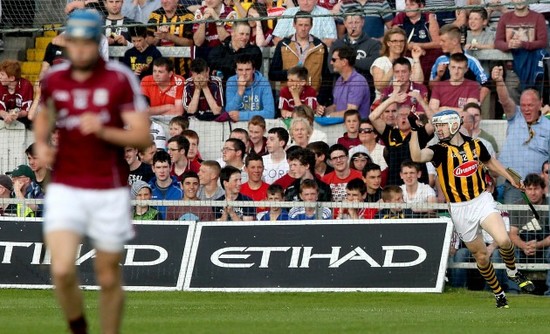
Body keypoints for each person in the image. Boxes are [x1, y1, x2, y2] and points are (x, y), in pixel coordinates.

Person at [33, 9, 152, 334]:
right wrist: (41, 143)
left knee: (108, 276)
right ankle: (79, 328)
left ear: (98, 42)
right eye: (75, 42)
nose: (80, 49)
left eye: (87, 42)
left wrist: (104, 131)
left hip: (109, 189)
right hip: (66, 187)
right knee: (60, 270)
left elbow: (142, 136)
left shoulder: (119, 78)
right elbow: (45, 115)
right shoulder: (54, 78)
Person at [409, 109, 535, 308]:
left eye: (441, 125)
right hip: (460, 210)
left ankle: (512, 271)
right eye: (437, 126)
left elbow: (491, 162)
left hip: (481, 200)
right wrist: (415, 130)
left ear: (453, 125)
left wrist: (512, 178)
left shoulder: (476, 145)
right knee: (482, 257)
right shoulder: (439, 150)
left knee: (503, 240)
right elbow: (416, 155)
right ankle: (499, 294)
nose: (438, 130)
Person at [492, 66, 550, 204]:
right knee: (512, 223)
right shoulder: (515, 116)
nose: (526, 109)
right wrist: (499, 81)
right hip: (514, 186)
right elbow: (505, 101)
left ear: (540, 103)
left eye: (530, 105)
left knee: (539, 224)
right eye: (523, 105)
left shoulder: (548, 127)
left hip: (538, 188)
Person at [369, 92, 433, 186]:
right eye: (400, 115)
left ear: (413, 119)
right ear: (396, 119)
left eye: (407, 115)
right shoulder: (389, 133)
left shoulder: (419, 133)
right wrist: (391, 99)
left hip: (417, 187)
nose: (403, 117)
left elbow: (436, 122)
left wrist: (420, 100)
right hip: (395, 187)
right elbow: (372, 117)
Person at [269, 11, 331, 95]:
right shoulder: (283, 45)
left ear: (311, 26)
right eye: (300, 25)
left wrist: (321, 100)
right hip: (288, 96)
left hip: (312, 96)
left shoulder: (320, 46)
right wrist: (292, 73)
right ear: (294, 25)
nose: (303, 28)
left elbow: (327, 77)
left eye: (306, 25)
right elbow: (272, 74)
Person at [494, 0, 548, 92]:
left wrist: (523, 44)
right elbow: (498, 42)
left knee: (533, 98)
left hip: (532, 67)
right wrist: (508, 45)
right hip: (512, 68)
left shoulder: (538, 17)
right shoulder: (505, 18)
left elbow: (543, 42)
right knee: (512, 96)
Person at [508, 173, 549, 295]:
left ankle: (549, 293)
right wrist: (524, 246)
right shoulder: (517, 206)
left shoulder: (549, 204)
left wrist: (538, 245)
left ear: (543, 190)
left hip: (545, 245)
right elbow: (513, 234)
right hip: (523, 246)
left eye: (536, 188)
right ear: (524, 190)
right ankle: (513, 292)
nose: (533, 193)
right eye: (529, 189)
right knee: (510, 253)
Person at [429, 24, 489, 104]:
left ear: (455, 41)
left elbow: (486, 85)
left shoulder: (471, 61)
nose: (440, 44)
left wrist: (475, 105)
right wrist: (439, 76)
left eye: (443, 41)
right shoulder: (440, 60)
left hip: (465, 109)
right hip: (444, 109)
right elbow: (431, 87)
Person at [330, 9, 381, 101]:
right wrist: (359, 63)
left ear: (362, 22)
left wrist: (346, 60)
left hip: (366, 93)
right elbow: (331, 67)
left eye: (357, 22)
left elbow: (372, 64)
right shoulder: (337, 44)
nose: (353, 26)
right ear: (345, 23)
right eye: (350, 22)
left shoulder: (373, 44)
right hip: (341, 92)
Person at [392, 0, 442, 82]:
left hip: (427, 55)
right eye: (406, 4)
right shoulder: (400, 17)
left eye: (412, 4)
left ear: (421, 6)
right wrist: (410, 47)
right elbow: (393, 39)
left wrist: (417, 45)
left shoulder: (428, 17)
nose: (408, 7)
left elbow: (437, 43)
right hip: (406, 54)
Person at [370, 27, 424, 101]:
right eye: (395, 41)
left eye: (401, 41)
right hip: (384, 102)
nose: (399, 44)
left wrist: (416, 58)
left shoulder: (410, 61)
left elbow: (418, 83)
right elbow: (379, 87)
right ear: (388, 43)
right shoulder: (380, 62)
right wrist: (395, 67)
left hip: (407, 101)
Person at [317, 46, 370, 118]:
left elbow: (351, 112)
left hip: (356, 126)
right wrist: (324, 111)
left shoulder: (358, 81)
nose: (331, 62)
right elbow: (336, 106)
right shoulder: (339, 80)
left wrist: (329, 116)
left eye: (334, 60)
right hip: (340, 124)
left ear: (344, 62)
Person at [147, 0, 193, 75]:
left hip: (182, 70)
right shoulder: (155, 14)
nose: (164, 1)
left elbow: (190, 42)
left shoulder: (187, 15)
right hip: (159, 70)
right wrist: (159, 36)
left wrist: (169, 36)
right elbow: (149, 41)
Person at [225, 54, 275, 122]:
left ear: (254, 70)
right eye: (240, 70)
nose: (244, 73)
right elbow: (229, 111)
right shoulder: (231, 81)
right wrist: (240, 92)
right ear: (236, 71)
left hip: (257, 124)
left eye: (247, 69)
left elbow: (270, 113)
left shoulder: (263, 82)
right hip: (237, 125)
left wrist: (242, 116)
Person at [140, 57, 185, 131]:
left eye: (160, 72)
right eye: (154, 71)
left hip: (173, 123)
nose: (156, 75)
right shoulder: (146, 80)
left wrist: (153, 111)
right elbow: (143, 110)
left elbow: (178, 112)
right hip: (151, 122)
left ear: (170, 73)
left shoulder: (179, 81)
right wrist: (169, 107)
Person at [272, 0, 337, 47]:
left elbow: (331, 40)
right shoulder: (288, 13)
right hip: (290, 54)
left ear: (316, 1)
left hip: (316, 55)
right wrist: (295, 48)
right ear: (297, 1)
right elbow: (277, 39)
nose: (305, 2)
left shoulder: (325, 14)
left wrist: (308, 48)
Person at [149, 150, 183, 218]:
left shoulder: (181, 188)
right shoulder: (148, 189)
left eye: (165, 167)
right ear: (153, 168)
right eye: (158, 167)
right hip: (152, 228)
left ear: (170, 168)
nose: (162, 171)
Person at [0, 59, 33, 128]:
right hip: (4, 116)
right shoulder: (1, 85)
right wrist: (6, 115)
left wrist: (17, 114)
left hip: (22, 118)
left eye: (2, 74)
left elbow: (26, 110)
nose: (0, 77)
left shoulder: (26, 85)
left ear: (12, 78)